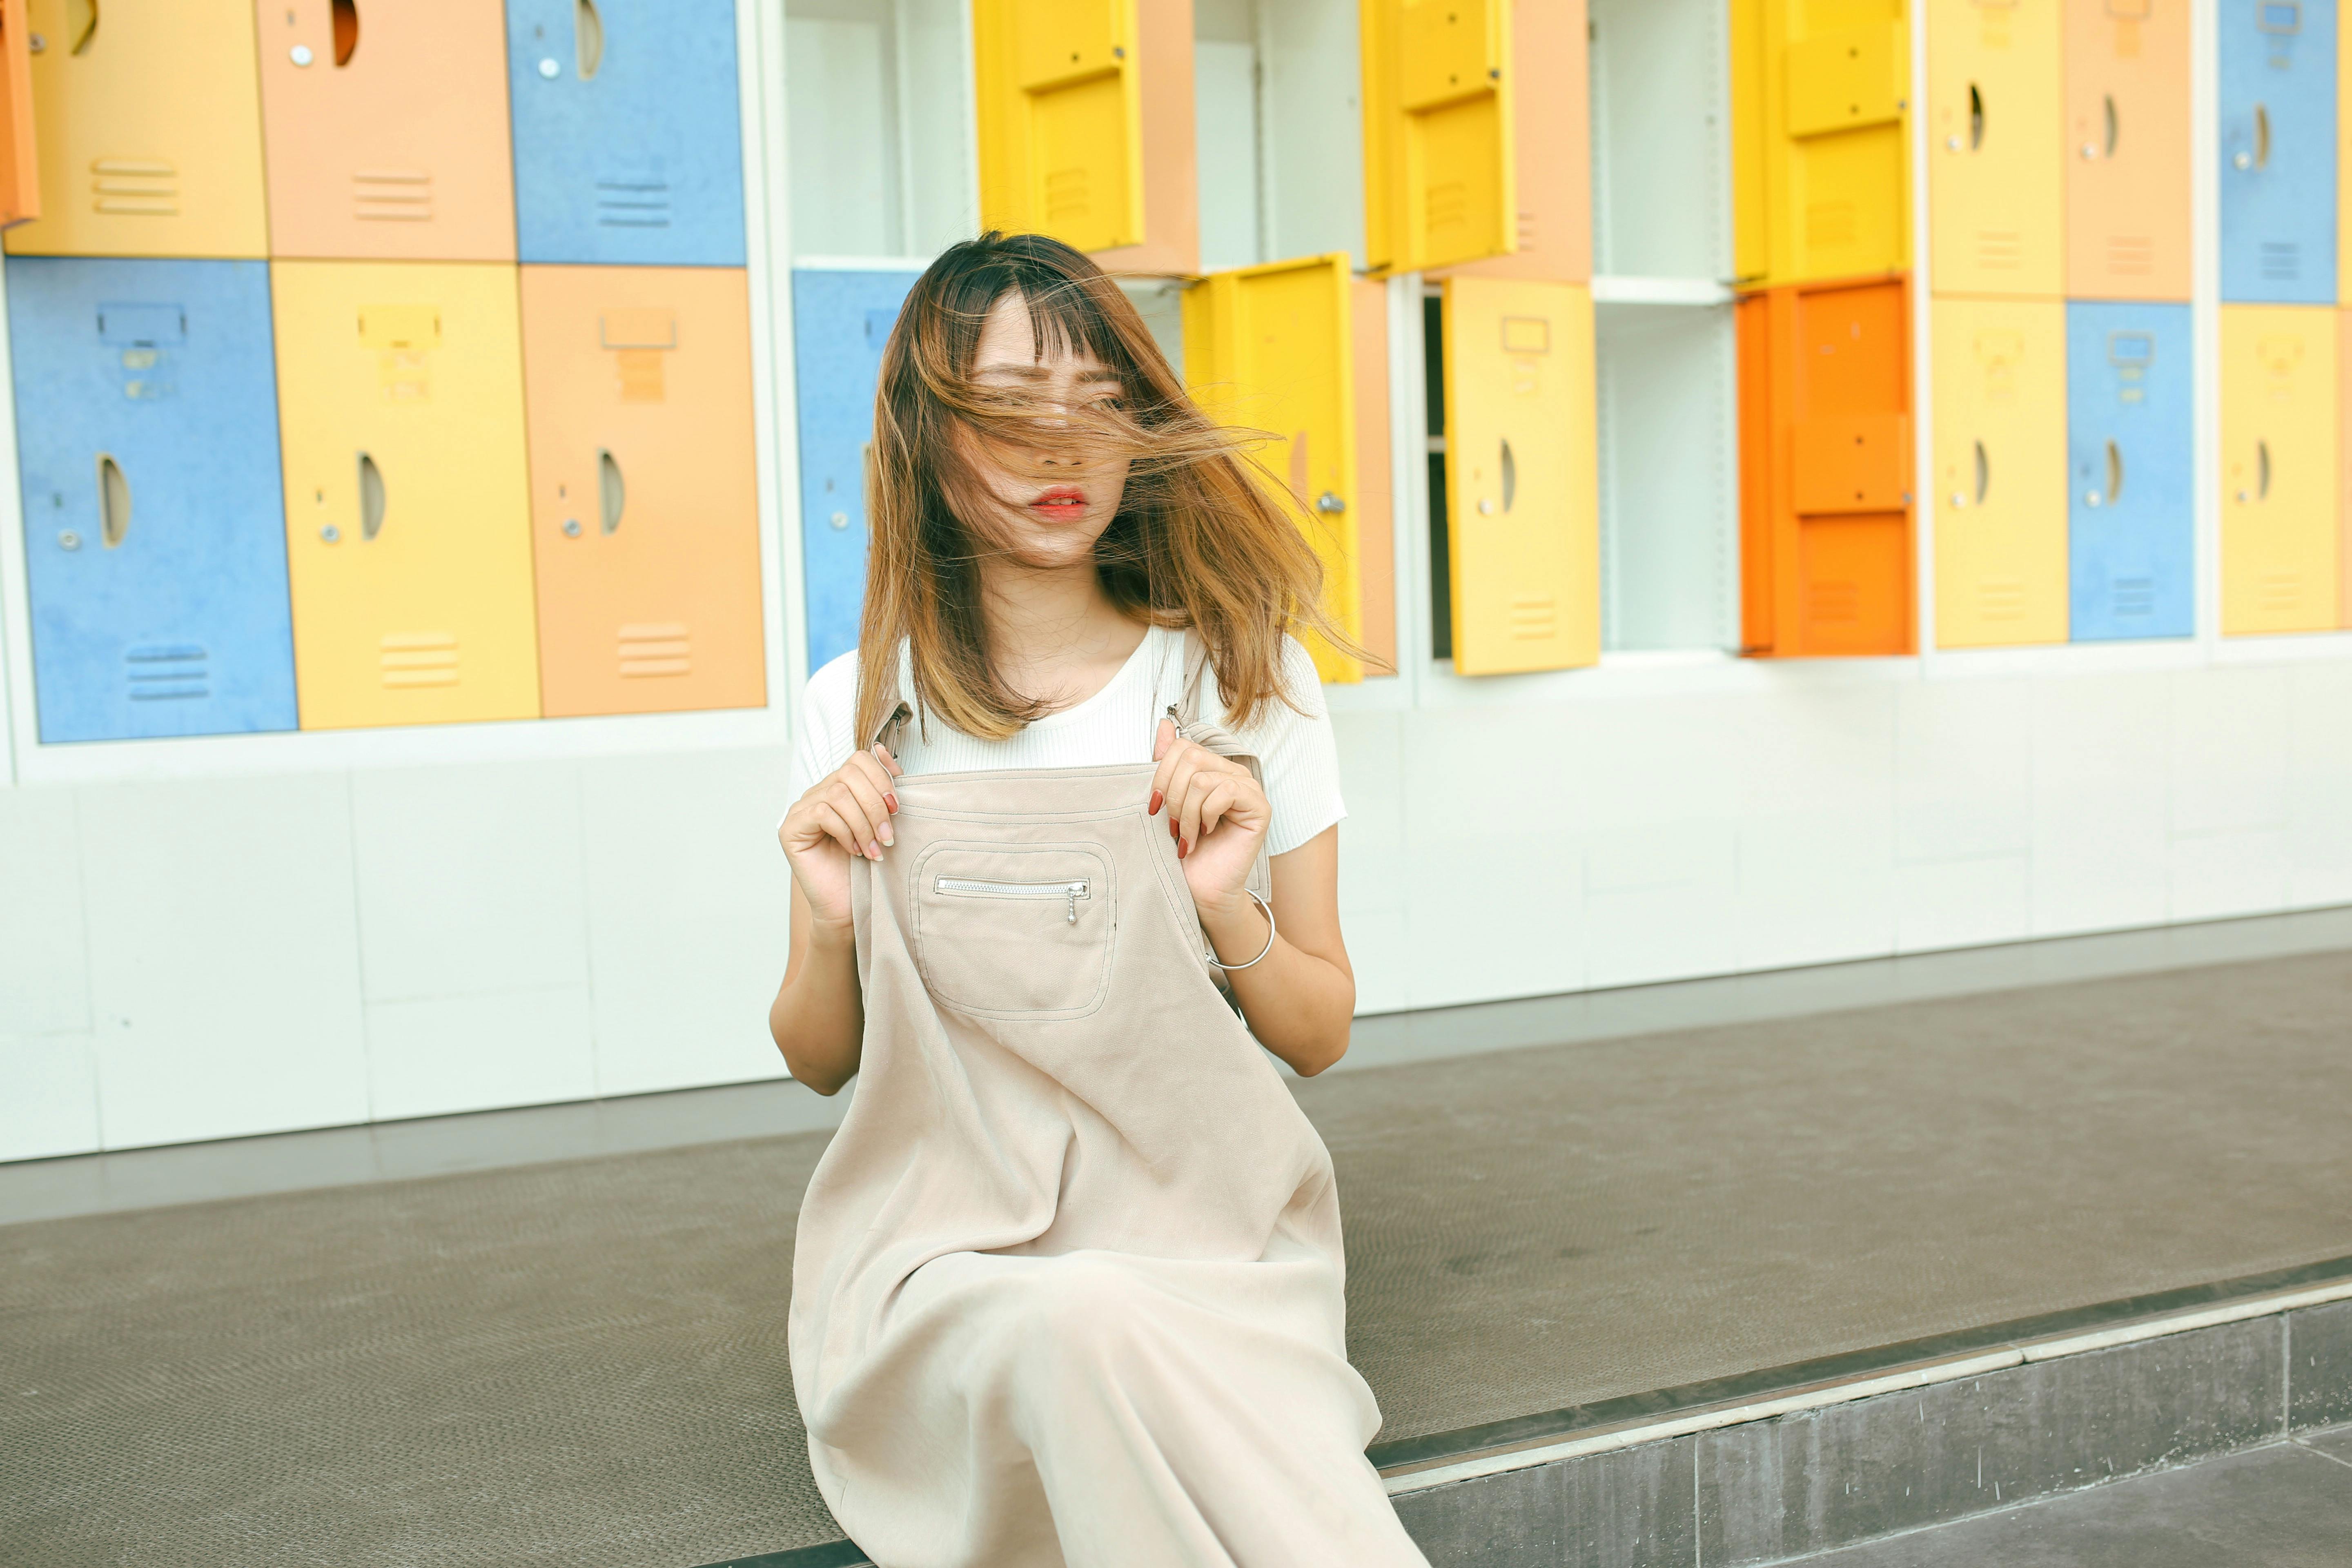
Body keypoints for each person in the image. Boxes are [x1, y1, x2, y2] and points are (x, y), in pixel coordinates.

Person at [770, 232, 1428, 1568]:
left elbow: (1318, 1032)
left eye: (1100, 403)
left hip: (1214, 1248)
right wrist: (834, 918)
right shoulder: (859, 706)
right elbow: (818, 1060)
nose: (1062, 447)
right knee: (1072, 1320)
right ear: (927, 439)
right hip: (939, 1262)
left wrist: (1226, 907)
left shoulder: (1246, 684)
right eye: (1011, 408)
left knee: (1101, 1318)